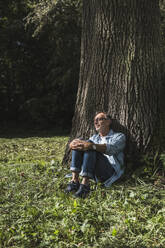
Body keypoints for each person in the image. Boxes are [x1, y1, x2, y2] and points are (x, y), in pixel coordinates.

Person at [65, 111, 126, 198]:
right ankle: (74, 181)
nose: (96, 122)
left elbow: (112, 149)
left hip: (108, 172)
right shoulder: (94, 138)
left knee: (90, 145)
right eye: (95, 120)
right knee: (80, 142)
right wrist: (72, 145)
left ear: (108, 121)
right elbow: (84, 147)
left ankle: (85, 185)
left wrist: (92, 146)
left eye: (99, 119)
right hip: (93, 171)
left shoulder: (119, 136)